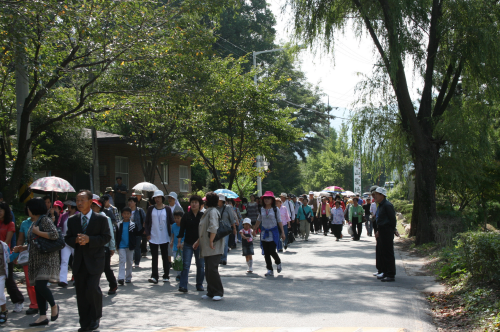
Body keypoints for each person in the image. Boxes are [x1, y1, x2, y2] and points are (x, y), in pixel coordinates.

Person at [65, 190, 111, 332]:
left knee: (92, 288)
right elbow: (68, 238)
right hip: (79, 262)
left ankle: (95, 317)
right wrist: (76, 241)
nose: (79, 203)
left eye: (82, 200)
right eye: (77, 200)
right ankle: (84, 322)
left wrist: (89, 239)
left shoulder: (101, 219)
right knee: (80, 292)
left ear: (90, 202)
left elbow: (106, 237)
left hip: (95, 260)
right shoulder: (72, 220)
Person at [13, 197, 60, 327]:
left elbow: (54, 234)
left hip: (46, 260)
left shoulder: (44, 220)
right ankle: (42, 316)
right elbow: (34, 242)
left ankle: (54, 305)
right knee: (38, 288)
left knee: (40, 286)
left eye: (28, 207)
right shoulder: (33, 223)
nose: (27, 210)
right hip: (35, 259)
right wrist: (22, 248)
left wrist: (38, 232)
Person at [198, 191, 224, 301]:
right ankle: (210, 292)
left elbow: (213, 227)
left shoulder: (212, 211)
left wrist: (211, 241)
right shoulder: (208, 211)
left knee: (212, 269)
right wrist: (197, 242)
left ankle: (218, 291)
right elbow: (203, 230)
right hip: (209, 246)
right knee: (208, 270)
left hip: (214, 246)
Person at [144, 190, 174, 284]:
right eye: (155, 198)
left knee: (165, 257)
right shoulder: (150, 208)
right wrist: (148, 234)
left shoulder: (167, 209)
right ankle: (154, 276)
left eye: (159, 197)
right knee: (154, 257)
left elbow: (172, 221)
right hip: (153, 236)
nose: (157, 199)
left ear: (162, 198)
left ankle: (166, 275)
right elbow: (147, 222)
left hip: (164, 236)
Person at [254, 191, 285, 277]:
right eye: (265, 198)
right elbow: (259, 220)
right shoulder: (261, 209)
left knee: (272, 250)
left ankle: (278, 262)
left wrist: (282, 232)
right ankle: (269, 269)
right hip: (264, 232)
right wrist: (254, 229)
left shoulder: (275, 209)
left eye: (269, 198)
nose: (267, 200)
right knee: (266, 253)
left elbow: (279, 221)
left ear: (272, 200)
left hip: (273, 232)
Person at [177, 194, 205, 293]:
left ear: (200, 204)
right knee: (186, 264)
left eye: (196, 202)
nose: (194, 204)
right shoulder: (186, 216)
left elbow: (204, 231)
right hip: (188, 244)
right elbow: (181, 230)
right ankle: (183, 285)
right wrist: (179, 242)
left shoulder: (202, 216)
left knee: (200, 265)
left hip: (200, 244)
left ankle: (199, 284)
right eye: (192, 202)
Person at [0, 202, 24, 312]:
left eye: (1, 209)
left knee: (8, 281)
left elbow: (7, 241)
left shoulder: (10, 224)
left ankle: (18, 300)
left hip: (5, 256)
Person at [90, 199, 117, 295]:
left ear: (99, 207)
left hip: (104, 246)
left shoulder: (105, 218)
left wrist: (112, 247)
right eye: (92, 206)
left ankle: (113, 284)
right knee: (94, 268)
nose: (93, 208)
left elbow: (110, 234)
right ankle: (94, 287)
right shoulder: (90, 218)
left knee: (106, 267)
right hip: (93, 246)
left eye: (95, 206)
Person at [372, 187, 397, 282]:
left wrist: (392, 229)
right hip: (382, 230)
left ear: (382, 195)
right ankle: (385, 272)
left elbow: (392, 219)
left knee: (388, 253)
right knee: (383, 252)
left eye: (377, 194)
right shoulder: (381, 205)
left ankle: (391, 274)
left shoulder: (387, 205)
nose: (375, 196)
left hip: (387, 230)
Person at [17, 210, 39, 314]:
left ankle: (43, 302)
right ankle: (34, 304)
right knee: (29, 281)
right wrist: (17, 253)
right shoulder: (24, 223)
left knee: (40, 281)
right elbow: (20, 240)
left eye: (31, 208)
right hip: (27, 255)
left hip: (41, 255)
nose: (29, 210)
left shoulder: (44, 222)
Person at [115, 207, 140, 285]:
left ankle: (128, 277)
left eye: (128, 214)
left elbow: (136, 235)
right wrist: (116, 245)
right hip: (121, 246)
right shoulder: (119, 224)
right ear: (122, 214)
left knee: (129, 261)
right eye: (124, 214)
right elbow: (117, 235)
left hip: (130, 246)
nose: (126, 215)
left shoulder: (133, 225)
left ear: (130, 214)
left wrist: (135, 244)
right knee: (122, 261)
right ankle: (121, 278)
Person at [58, 200, 79, 288]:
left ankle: (77, 278)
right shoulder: (64, 215)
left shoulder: (79, 215)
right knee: (64, 260)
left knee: (77, 260)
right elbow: (60, 225)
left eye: (70, 206)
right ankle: (62, 280)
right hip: (65, 240)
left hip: (75, 241)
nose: (68, 207)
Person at [217, 194, 236, 266]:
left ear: (222, 201)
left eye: (219, 200)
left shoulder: (228, 208)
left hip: (226, 229)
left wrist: (234, 228)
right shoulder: (215, 208)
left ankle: (224, 258)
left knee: (224, 244)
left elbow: (232, 218)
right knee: (218, 244)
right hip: (217, 228)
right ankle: (219, 258)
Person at [127, 196, 146, 268]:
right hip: (129, 232)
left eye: (131, 201)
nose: (130, 203)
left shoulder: (140, 211)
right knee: (130, 247)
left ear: (135, 203)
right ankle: (131, 260)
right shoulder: (127, 211)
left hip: (138, 231)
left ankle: (137, 262)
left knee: (137, 247)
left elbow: (144, 220)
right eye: (129, 201)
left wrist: (144, 229)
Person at [171, 210, 185, 282]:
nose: (176, 220)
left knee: (182, 261)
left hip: (183, 247)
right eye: (175, 218)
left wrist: (183, 243)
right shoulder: (173, 225)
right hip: (175, 247)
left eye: (178, 218)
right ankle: (178, 274)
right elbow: (173, 234)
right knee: (177, 261)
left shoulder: (184, 226)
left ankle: (183, 274)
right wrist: (171, 241)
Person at [0, 239, 10, 324]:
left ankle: (3, 310)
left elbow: (9, 258)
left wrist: (16, 252)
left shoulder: (3, 245)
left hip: (1, 274)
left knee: (0, 294)